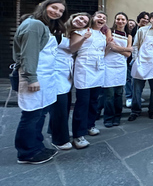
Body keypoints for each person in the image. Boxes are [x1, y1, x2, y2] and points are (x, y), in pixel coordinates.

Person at [13, 0, 67, 164]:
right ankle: (27, 153)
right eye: (54, 8)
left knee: (39, 113)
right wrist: (31, 78)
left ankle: (37, 146)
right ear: (43, 6)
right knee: (31, 115)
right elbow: (29, 54)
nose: (57, 12)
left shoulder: (42, 26)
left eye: (60, 11)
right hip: (35, 77)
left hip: (44, 77)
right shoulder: (34, 25)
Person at [50, 13, 90, 151]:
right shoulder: (57, 30)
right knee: (59, 105)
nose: (81, 21)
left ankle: (57, 131)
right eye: (79, 18)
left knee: (65, 104)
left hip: (66, 71)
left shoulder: (73, 34)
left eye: (84, 21)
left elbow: (73, 49)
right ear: (73, 17)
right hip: (54, 70)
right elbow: (72, 49)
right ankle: (59, 139)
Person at [70, 11, 108, 148]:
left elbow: (103, 51)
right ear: (93, 18)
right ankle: (78, 135)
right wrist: (84, 38)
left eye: (104, 18)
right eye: (99, 17)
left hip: (98, 70)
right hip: (84, 69)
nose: (101, 19)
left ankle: (89, 125)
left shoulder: (103, 35)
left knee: (93, 101)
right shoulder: (81, 31)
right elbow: (72, 48)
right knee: (82, 102)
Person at [128, 11, 153, 121]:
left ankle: (152, 110)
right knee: (137, 90)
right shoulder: (142, 31)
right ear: (150, 20)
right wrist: (135, 59)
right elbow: (135, 45)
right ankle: (135, 111)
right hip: (141, 63)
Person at [103, 12, 133, 127]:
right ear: (115, 20)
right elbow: (110, 46)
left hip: (121, 66)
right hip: (109, 64)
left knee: (119, 93)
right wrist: (125, 48)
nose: (120, 21)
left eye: (123, 19)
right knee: (109, 93)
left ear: (126, 21)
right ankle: (108, 117)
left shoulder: (128, 36)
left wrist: (116, 48)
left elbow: (128, 54)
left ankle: (117, 116)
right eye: (118, 19)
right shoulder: (110, 31)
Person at [125, 11, 149, 108]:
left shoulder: (147, 30)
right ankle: (129, 97)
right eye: (144, 18)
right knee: (129, 78)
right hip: (131, 57)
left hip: (143, 59)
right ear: (139, 18)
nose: (146, 20)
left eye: (147, 19)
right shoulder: (133, 30)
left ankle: (137, 95)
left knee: (139, 79)